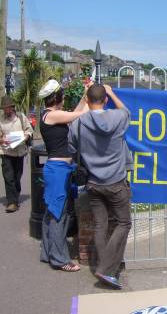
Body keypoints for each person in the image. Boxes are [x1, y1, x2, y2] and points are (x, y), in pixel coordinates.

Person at [68, 84, 132, 289]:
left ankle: (105, 269)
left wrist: (84, 98)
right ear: (105, 100)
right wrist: (112, 92)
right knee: (124, 223)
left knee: (100, 226)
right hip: (116, 182)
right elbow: (127, 112)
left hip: (93, 182)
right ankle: (106, 269)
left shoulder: (78, 123)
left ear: (87, 100)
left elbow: (71, 147)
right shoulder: (117, 117)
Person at [39, 79, 87, 272]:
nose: (64, 97)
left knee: (52, 212)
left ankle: (48, 252)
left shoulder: (50, 114)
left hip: (59, 170)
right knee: (58, 214)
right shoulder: (52, 115)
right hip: (58, 170)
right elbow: (81, 115)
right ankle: (59, 260)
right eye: (62, 95)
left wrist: (85, 95)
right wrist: (92, 99)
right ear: (56, 97)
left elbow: (75, 112)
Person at [0, 96, 33, 212]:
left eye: (8, 108)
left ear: (12, 107)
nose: (6, 110)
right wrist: (2, 140)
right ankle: (12, 203)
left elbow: (29, 129)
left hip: (19, 152)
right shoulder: (0, 119)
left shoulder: (21, 117)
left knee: (17, 177)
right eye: (4, 108)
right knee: (8, 177)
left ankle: (15, 196)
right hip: (6, 151)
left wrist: (26, 136)